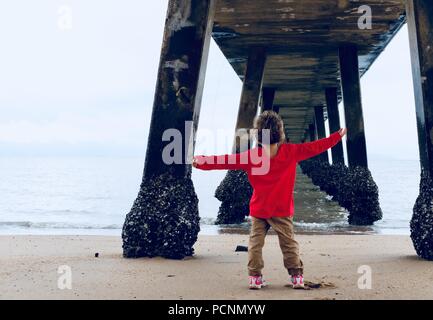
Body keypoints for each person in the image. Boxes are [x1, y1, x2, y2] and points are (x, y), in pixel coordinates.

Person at [193, 111, 347, 290]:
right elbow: (316, 147)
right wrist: (337, 136)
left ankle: (255, 279)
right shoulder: (291, 151)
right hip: (282, 210)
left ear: (257, 136)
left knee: (255, 245)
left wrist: (201, 162)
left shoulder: (252, 156)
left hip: (260, 210)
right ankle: (296, 277)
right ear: (280, 133)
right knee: (288, 244)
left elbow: (225, 161)